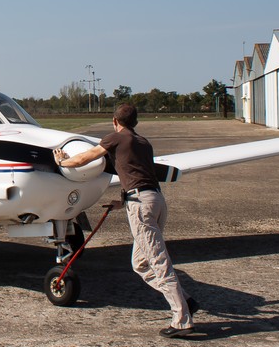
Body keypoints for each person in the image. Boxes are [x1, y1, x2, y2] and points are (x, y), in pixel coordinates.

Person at [53, 104, 198, 338]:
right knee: (140, 264)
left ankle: (182, 320)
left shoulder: (115, 138)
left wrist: (62, 162)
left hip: (141, 205)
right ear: (136, 123)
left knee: (159, 262)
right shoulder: (144, 143)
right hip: (156, 200)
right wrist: (121, 203)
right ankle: (185, 300)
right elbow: (139, 174)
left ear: (114, 121)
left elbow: (85, 158)